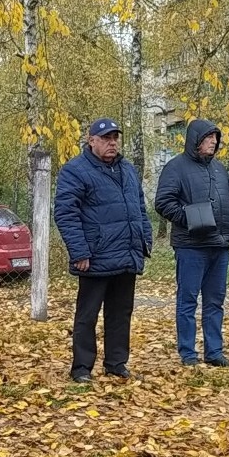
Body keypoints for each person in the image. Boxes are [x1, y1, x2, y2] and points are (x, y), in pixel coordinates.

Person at [53, 118, 153, 383]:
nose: (112, 143)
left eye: (115, 138)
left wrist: (144, 240)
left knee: (121, 313)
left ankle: (116, 363)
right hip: (95, 257)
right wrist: (79, 252)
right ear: (92, 141)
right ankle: (82, 368)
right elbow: (66, 214)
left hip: (126, 254)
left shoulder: (127, 169)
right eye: (106, 138)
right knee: (87, 315)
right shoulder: (75, 170)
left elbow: (139, 208)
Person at [153, 119, 229, 367]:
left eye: (215, 138)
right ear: (195, 140)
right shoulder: (175, 167)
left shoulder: (219, 169)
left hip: (219, 245)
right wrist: (191, 219)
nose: (213, 142)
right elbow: (163, 202)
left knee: (215, 302)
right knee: (187, 301)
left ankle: (214, 352)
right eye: (208, 137)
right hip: (190, 246)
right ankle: (188, 354)